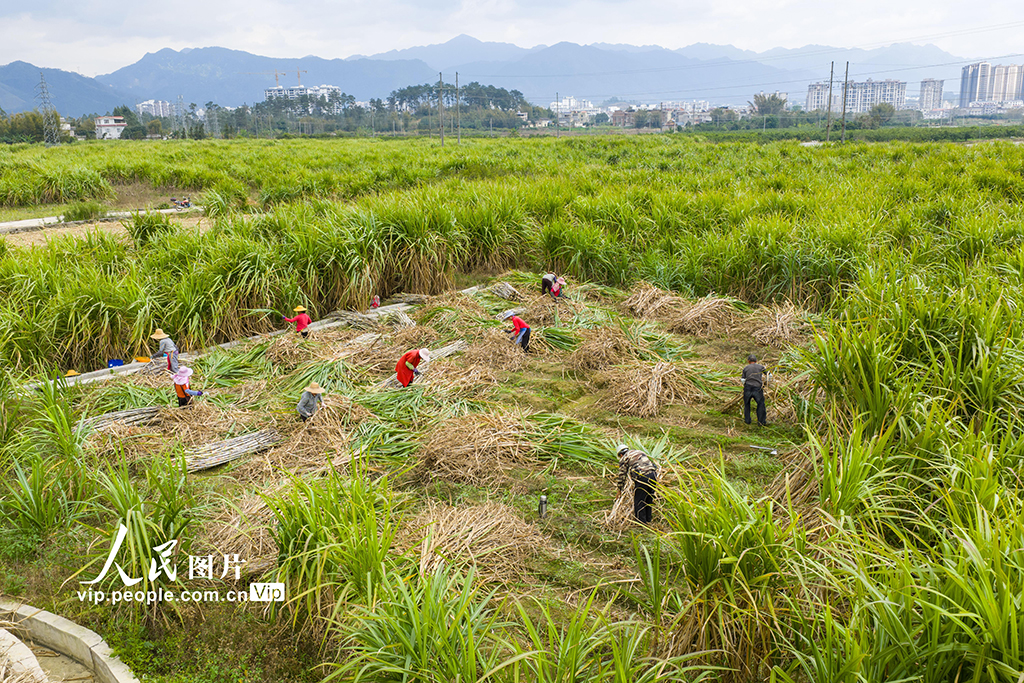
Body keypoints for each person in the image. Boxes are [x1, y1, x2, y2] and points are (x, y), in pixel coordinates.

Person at [616, 444, 659, 524]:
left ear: (621, 454)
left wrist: (619, 490)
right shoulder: (639, 452)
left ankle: (641, 523)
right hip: (653, 475)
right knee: (648, 498)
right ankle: (648, 519)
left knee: (639, 501)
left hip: (642, 477)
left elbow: (622, 476)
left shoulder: (624, 458)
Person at [742, 354, 768, 426]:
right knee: (760, 404)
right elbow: (769, 375)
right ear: (756, 361)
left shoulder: (746, 368)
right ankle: (761, 422)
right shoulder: (761, 367)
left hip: (748, 388)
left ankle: (747, 420)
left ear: (748, 361)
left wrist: (745, 386)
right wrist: (766, 383)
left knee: (747, 404)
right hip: (757, 388)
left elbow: (743, 379)